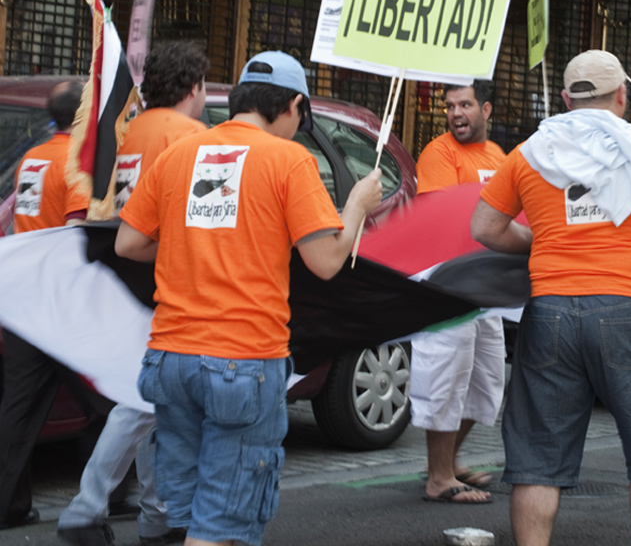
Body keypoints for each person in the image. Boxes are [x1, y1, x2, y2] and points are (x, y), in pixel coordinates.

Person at [116, 51, 382, 546]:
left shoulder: (180, 153)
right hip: (242, 360)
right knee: (219, 526)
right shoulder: (289, 159)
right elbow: (325, 261)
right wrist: (357, 206)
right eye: (302, 119)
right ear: (294, 106)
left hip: (170, 359)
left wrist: (187, 239)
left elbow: (128, 242)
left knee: (194, 514)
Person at [470, 50, 631, 546]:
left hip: (549, 309)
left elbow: (483, 227)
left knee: (537, 461)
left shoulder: (529, 153)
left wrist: (537, 242)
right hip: (625, 308)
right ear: (622, 96)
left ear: (568, 99)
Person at [58, 42, 210, 546]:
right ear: (194, 88)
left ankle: (157, 511)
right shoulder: (189, 135)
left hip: (131, 267)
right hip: (167, 274)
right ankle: (87, 511)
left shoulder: (135, 127)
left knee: (152, 397)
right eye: (205, 87)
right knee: (144, 400)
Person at [0, 81, 102, 529]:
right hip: (65, 303)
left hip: (27, 298)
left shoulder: (33, 157)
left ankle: (8, 505)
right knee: (109, 401)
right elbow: (77, 229)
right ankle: (105, 496)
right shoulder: (75, 161)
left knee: (18, 407)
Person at [412, 82, 506, 504]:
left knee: (485, 380)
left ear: (485, 108)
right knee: (446, 378)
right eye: (450, 106)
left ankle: (450, 462)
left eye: (465, 104)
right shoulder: (439, 152)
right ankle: (438, 477)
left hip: (486, 285)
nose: (455, 113)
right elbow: (442, 216)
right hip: (450, 281)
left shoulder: (499, 156)